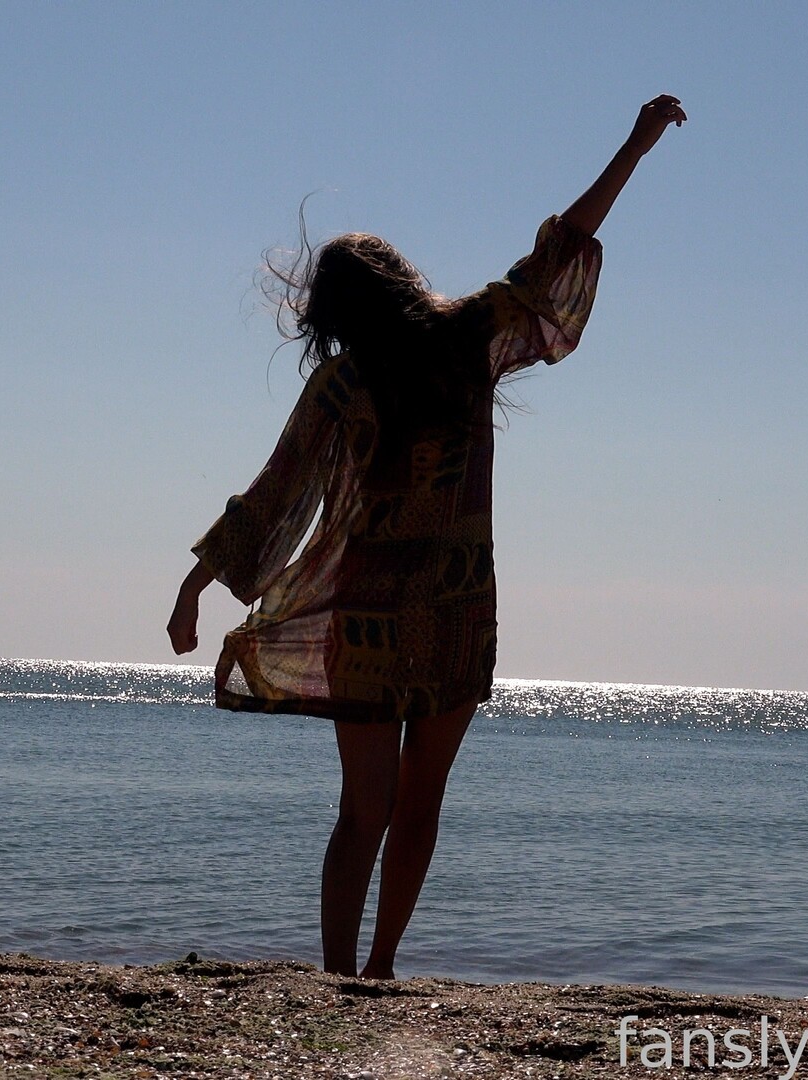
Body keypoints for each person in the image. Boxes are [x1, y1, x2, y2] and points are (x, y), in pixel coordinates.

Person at [168, 94, 686, 979]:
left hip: (366, 620)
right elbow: (563, 247)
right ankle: (377, 967)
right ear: (402, 281)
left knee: (363, 810)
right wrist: (634, 147)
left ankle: (340, 973)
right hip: (455, 608)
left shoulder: (345, 382)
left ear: (333, 311)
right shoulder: (466, 338)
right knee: (418, 805)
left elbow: (273, 493)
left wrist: (194, 586)